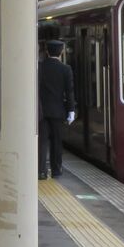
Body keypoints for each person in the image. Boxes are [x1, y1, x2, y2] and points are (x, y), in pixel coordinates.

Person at [38, 40, 75, 179]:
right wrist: (71, 110)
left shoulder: (39, 67)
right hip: (58, 111)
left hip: (41, 111)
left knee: (42, 141)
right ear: (61, 52)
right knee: (57, 142)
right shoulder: (66, 69)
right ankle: (56, 170)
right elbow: (69, 91)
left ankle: (41, 171)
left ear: (47, 51)